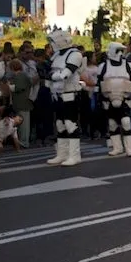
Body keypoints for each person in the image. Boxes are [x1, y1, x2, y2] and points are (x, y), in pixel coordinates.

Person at [45, 29, 84, 166]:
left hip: (70, 94)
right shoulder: (56, 56)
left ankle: (74, 155)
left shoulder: (75, 54)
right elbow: (51, 73)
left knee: (70, 124)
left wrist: (50, 76)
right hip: (57, 94)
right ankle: (62, 154)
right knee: (60, 125)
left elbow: (65, 74)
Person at [98, 42, 131, 157]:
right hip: (109, 99)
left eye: (121, 50)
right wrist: (101, 99)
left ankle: (129, 149)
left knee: (126, 122)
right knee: (112, 123)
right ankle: (117, 147)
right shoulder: (103, 66)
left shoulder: (128, 65)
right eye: (117, 50)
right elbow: (98, 84)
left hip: (124, 98)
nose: (119, 53)